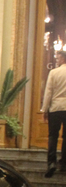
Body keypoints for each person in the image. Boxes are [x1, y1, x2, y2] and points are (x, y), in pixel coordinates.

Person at [42, 50, 66, 178]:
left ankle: (51, 163)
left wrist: (45, 109)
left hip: (55, 108)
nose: (56, 59)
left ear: (63, 58)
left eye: (58, 57)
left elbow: (48, 92)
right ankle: (64, 163)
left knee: (53, 135)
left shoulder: (54, 72)